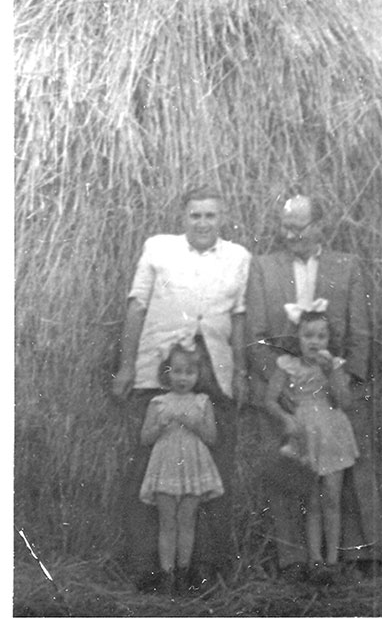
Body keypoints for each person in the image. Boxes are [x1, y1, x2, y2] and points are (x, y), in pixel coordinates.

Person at [112, 186, 251, 590]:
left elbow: (239, 317)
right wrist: (125, 365)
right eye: (195, 216)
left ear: (222, 218)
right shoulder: (158, 249)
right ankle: (148, 567)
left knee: (211, 472)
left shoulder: (238, 257)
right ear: (183, 217)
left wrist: (240, 370)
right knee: (150, 473)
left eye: (210, 216)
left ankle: (203, 567)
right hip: (162, 368)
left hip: (213, 372)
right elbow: (136, 305)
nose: (203, 223)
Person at [246, 193, 382, 580]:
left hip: (337, 386)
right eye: (285, 228)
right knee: (292, 472)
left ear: (320, 226)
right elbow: (255, 334)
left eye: (299, 227)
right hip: (291, 390)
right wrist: (280, 380)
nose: (291, 236)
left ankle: (362, 553)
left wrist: (349, 380)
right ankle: (295, 561)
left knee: (350, 467)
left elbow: (359, 329)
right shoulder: (264, 268)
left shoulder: (346, 266)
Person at [265, 308, 359, 583]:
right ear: (297, 337)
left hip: (332, 431)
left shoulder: (333, 365)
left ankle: (332, 560)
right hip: (305, 433)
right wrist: (285, 419)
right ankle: (315, 560)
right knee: (313, 500)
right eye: (308, 336)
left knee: (332, 496)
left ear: (329, 339)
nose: (314, 341)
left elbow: (344, 401)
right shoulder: (288, 365)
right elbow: (270, 400)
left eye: (321, 336)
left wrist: (331, 373)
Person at [139, 341, 224, 596]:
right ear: (167, 372)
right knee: (167, 521)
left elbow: (211, 437)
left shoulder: (202, 401)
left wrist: (195, 424)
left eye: (189, 372)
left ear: (199, 375)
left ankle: (183, 572)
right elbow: (145, 438)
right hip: (166, 465)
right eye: (177, 371)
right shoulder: (158, 403)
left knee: (187, 519)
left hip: (193, 466)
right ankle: (167, 574)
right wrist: (160, 426)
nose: (183, 378)